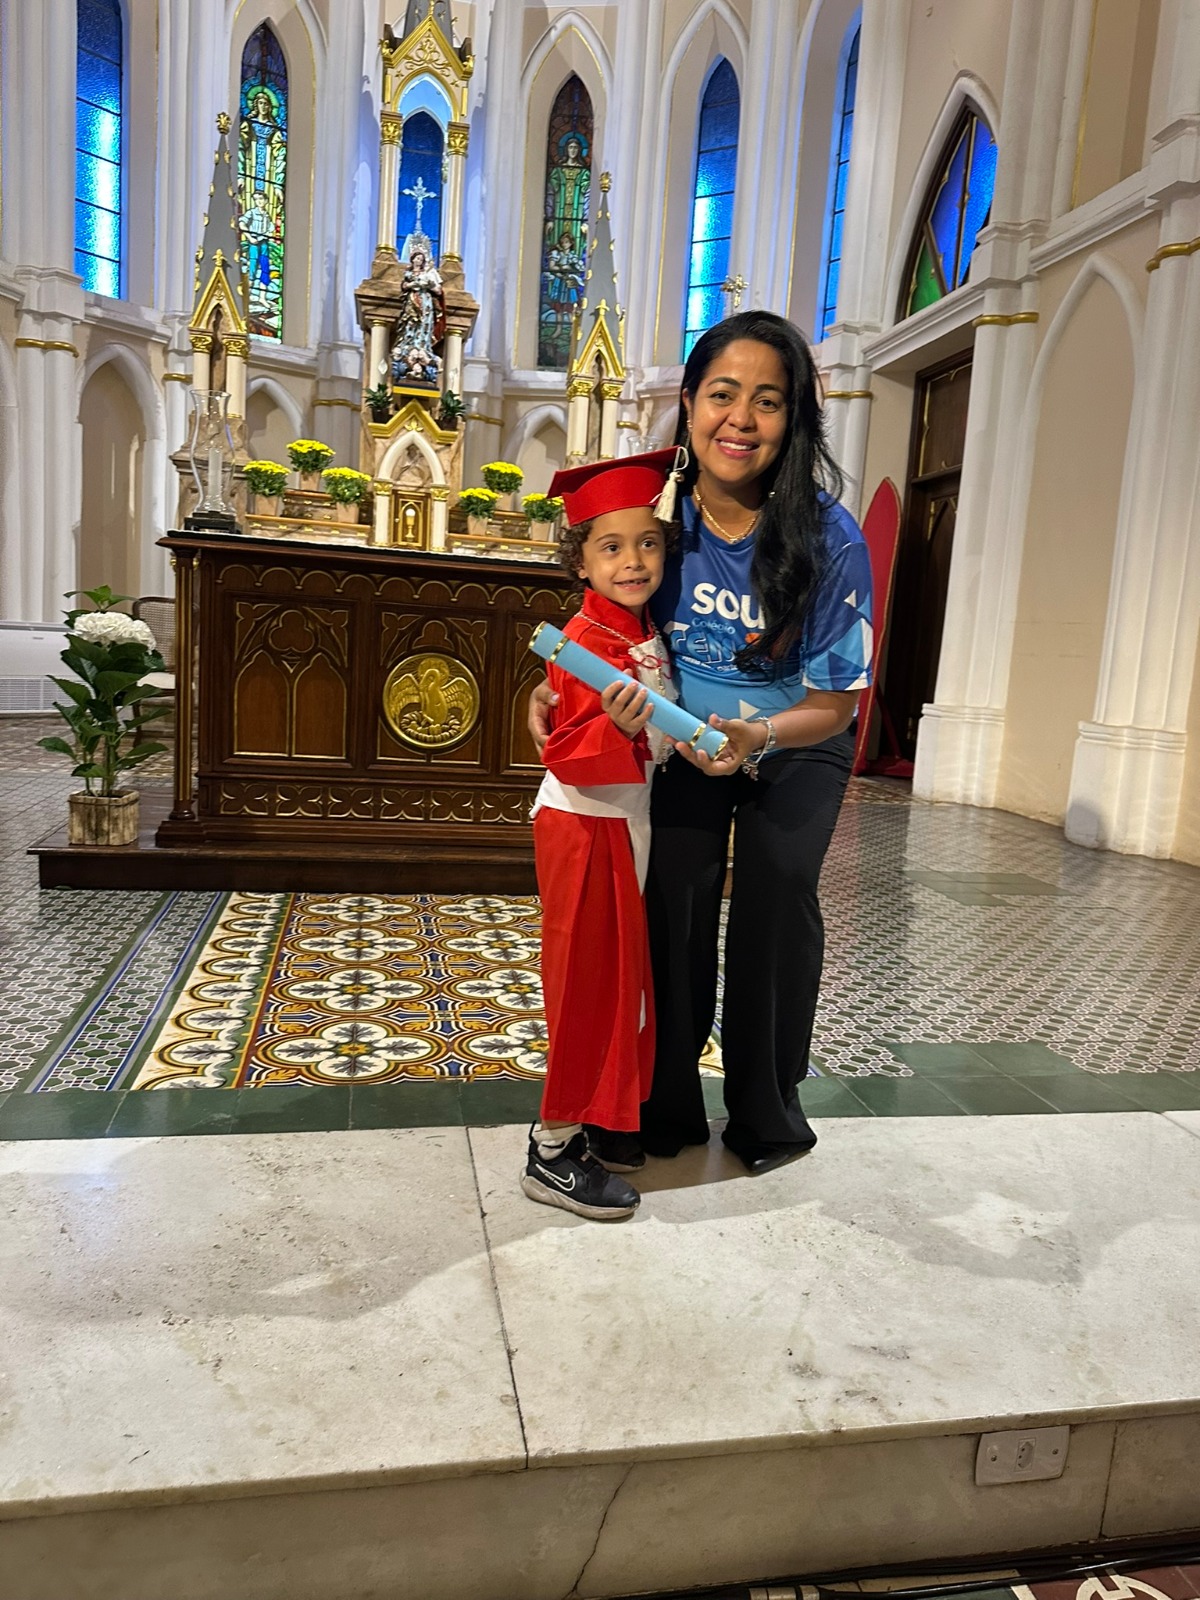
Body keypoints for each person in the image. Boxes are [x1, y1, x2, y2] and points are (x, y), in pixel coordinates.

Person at [529, 311, 873, 1176]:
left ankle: (767, 1111)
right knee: (671, 897)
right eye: (723, 394)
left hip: (795, 741)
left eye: (768, 400)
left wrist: (758, 734)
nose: (741, 419)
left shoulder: (831, 538)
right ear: (688, 404)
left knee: (776, 893)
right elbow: (607, 621)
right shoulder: (659, 520)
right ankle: (662, 1103)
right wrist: (555, 687)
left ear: (794, 418)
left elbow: (836, 705)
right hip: (680, 741)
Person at [524, 449, 680, 1221]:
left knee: (618, 986)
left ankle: (595, 1123)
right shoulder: (586, 642)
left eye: (648, 542)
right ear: (580, 561)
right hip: (588, 828)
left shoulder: (636, 629)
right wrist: (618, 731)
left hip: (623, 823)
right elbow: (567, 750)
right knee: (585, 986)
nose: (633, 561)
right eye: (611, 546)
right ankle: (551, 1150)